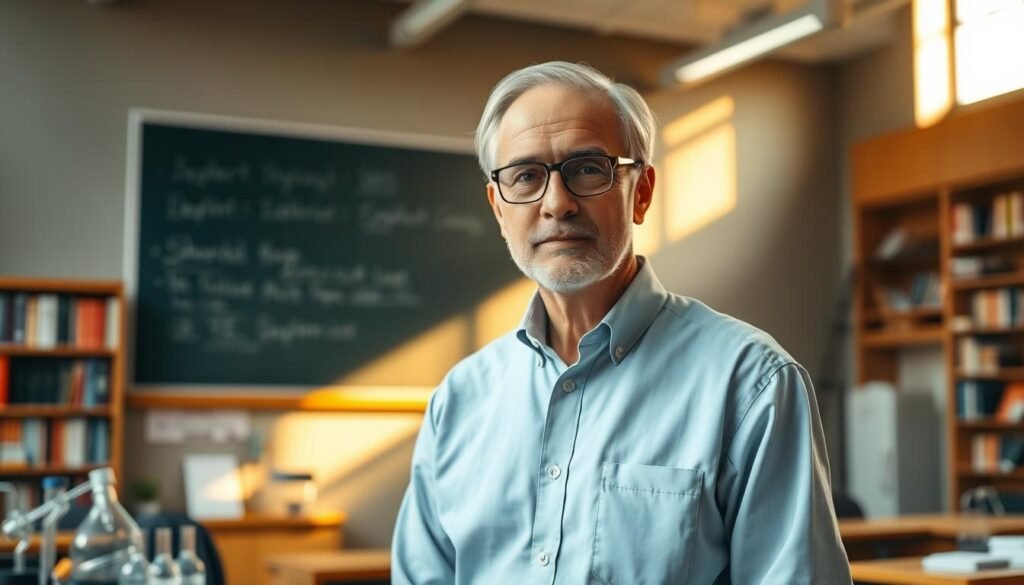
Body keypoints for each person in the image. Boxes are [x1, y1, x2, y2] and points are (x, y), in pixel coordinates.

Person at [392, 61, 852, 584]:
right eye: (525, 176)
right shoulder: (458, 404)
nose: (557, 204)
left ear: (642, 190)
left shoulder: (752, 385)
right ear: (499, 209)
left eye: (588, 169)